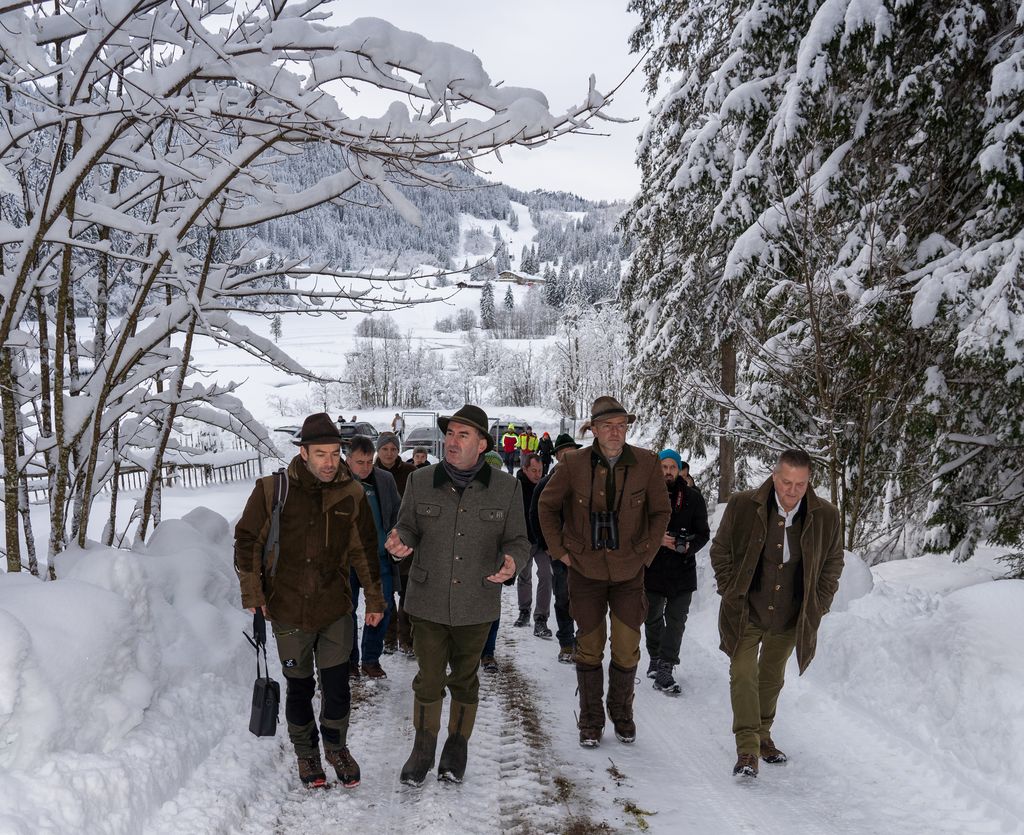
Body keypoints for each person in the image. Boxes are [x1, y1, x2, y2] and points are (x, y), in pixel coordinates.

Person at [233, 413, 385, 789]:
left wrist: (376, 600)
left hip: (334, 608)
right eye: (321, 454)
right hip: (288, 609)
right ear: (303, 453)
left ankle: (336, 747)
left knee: (336, 686)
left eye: (335, 453)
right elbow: (247, 541)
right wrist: (254, 594)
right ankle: (307, 754)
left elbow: (364, 551)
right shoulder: (273, 490)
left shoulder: (351, 494)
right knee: (299, 687)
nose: (330, 462)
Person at [386, 404, 530, 786]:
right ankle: (422, 747)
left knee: (465, 678)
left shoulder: (507, 487)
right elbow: (408, 526)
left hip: (476, 602)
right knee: (429, 677)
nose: (452, 441)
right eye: (449, 434)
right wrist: (401, 541)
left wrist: (512, 560)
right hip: (428, 599)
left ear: (482, 444)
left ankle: (457, 744)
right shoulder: (420, 481)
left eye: (462, 435)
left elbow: (518, 540)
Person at [538, 396, 670, 748]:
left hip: (630, 571)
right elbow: (546, 507)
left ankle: (622, 712)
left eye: (621, 425)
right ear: (593, 429)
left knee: (627, 648)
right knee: (589, 646)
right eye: (608, 426)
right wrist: (560, 551)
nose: (615, 432)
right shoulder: (573, 464)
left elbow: (661, 512)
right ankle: (591, 720)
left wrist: (646, 552)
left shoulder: (647, 462)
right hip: (585, 571)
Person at [709, 448, 844, 778]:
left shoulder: (825, 515)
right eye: (786, 482)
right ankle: (747, 749)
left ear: (809, 481)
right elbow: (721, 549)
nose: (792, 490)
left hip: (790, 615)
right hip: (746, 611)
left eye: (800, 484)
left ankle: (763, 734)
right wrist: (731, 589)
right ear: (774, 476)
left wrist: (819, 602)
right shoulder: (744, 505)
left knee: (771, 678)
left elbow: (832, 563)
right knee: (742, 672)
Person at [643, 449, 710, 695]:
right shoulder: (646, 495)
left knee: (676, 620)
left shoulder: (692, 497)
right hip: (652, 567)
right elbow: (635, 530)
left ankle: (666, 665)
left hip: (682, 569)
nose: (668, 471)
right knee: (651, 616)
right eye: (664, 466)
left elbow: (704, 533)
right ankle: (654, 656)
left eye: (672, 466)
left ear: (679, 468)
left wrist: (688, 545)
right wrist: (657, 539)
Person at [345, 435, 402, 680]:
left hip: (378, 559)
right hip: (345, 563)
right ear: (347, 460)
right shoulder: (337, 483)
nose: (366, 467)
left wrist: (395, 536)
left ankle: (370, 659)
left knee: (382, 608)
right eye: (360, 462)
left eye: (369, 461)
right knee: (346, 611)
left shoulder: (384, 479)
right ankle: (348, 661)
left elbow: (397, 514)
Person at [529, 433, 582, 663]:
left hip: (585, 551)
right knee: (562, 596)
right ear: (558, 456)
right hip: (558, 551)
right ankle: (567, 643)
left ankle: (584, 642)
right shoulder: (545, 483)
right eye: (564, 452)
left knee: (585, 598)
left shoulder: (586, 481)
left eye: (573, 451)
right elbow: (535, 516)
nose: (569, 456)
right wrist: (546, 546)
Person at [374, 432, 416, 658]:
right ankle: (388, 637)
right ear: (378, 451)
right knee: (385, 595)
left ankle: (406, 638)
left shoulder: (410, 473)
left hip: (407, 542)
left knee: (408, 595)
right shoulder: (369, 474)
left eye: (393, 449)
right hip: (381, 544)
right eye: (384, 449)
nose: (389, 453)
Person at [513, 453, 553, 638]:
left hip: (543, 540)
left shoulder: (546, 485)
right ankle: (524, 611)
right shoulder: (516, 488)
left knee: (546, 575)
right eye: (534, 471)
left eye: (540, 471)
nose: (538, 474)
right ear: (524, 469)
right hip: (524, 540)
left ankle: (541, 618)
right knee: (524, 575)